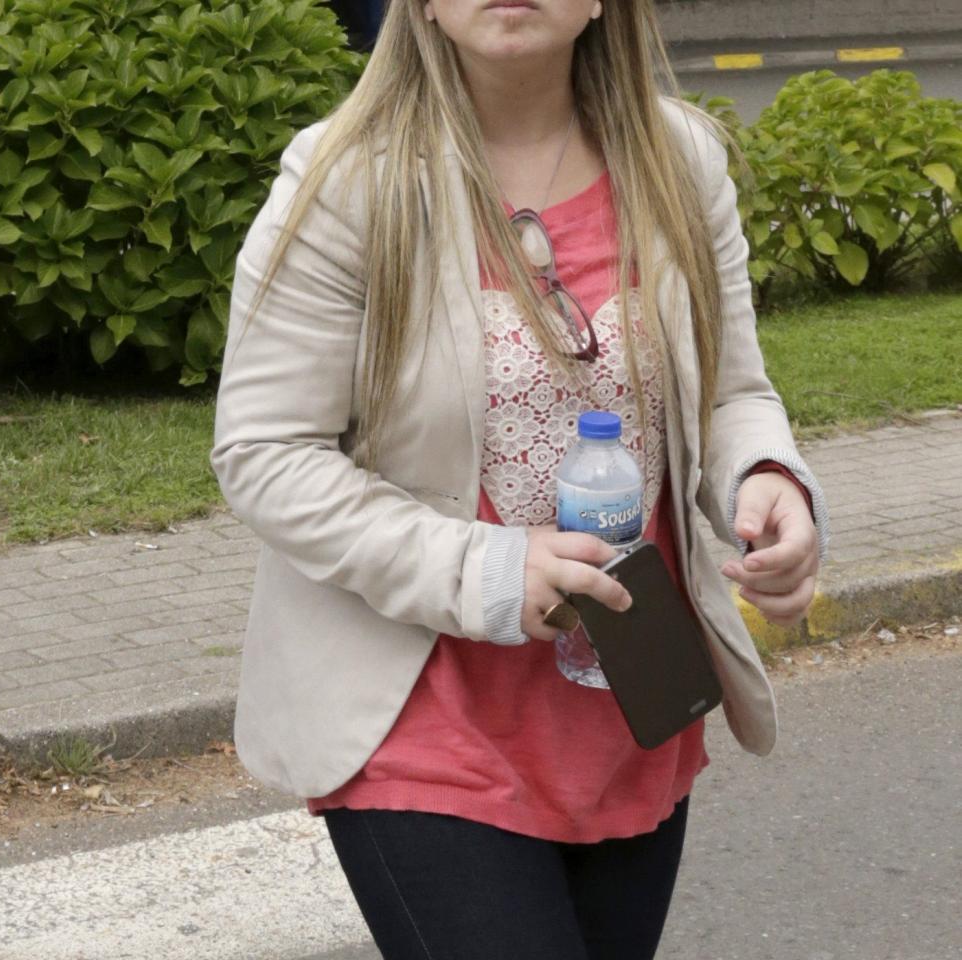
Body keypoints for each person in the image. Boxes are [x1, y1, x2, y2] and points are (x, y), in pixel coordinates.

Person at [212, 1, 827, 957]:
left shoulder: (681, 162)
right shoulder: (345, 181)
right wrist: (489, 572)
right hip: (422, 721)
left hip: (632, 708)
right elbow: (264, 452)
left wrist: (766, 478)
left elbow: (731, 390)